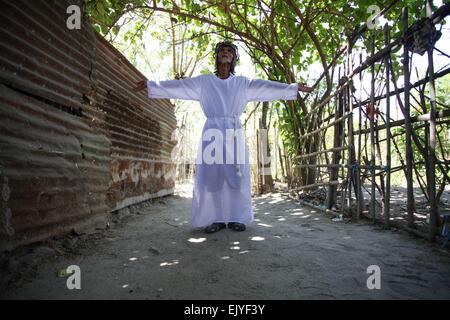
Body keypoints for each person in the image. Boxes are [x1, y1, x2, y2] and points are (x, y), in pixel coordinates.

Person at [133, 41, 313, 234]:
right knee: (213, 177)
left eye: (229, 51)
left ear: (234, 58)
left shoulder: (242, 83)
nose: (225, 53)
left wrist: (292, 88)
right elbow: (179, 86)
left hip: (234, 132)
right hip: (212, 132)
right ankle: (216, 219)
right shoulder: (204, 82)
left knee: (236, 176)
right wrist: (152, 85)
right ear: (217, 57)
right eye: (222, 51)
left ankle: (236, 217)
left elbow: (267, 87)